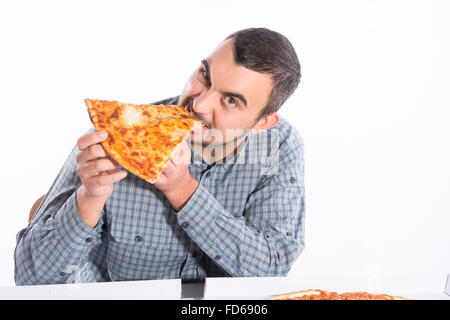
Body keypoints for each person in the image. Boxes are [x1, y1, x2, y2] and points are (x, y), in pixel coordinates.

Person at [14, 27, 305, 285]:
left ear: (263, 123)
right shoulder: (118, 136)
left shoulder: (278, 145)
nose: (200, 105)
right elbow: (30, 278)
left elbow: (271, 269)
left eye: (230, 100)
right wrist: (90, 196)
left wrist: (183, 191)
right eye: (205, 75)